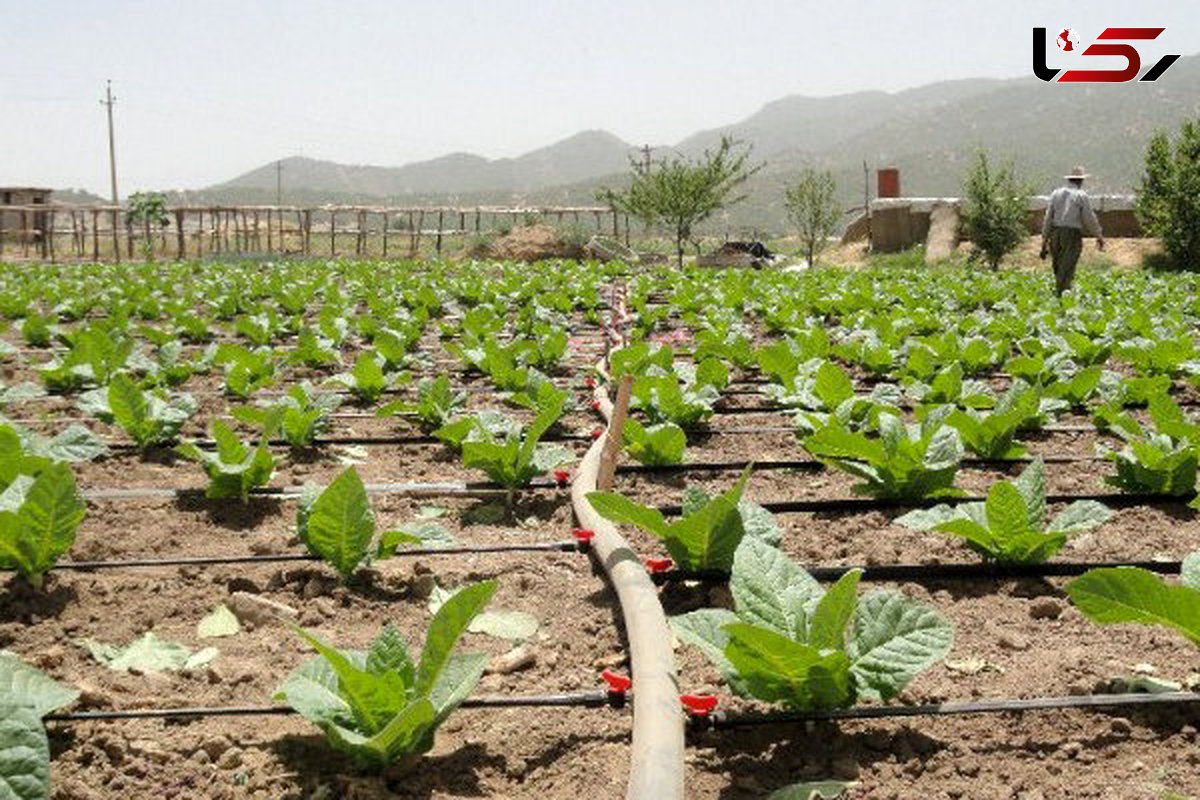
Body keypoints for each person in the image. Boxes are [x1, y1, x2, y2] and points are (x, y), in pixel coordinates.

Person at [1040, 166, 1105, 296]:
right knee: (1067, 268)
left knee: (1058, 267)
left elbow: (1048, 218)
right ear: (1080, 181)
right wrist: (1099, 235)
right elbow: (1089, 218)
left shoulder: (1056, 194)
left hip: (1055, 233)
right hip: (1072, 234)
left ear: (1070, 180)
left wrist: (1044, 239)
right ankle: (1063, 296)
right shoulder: (1081, 195)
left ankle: (1059, 295)